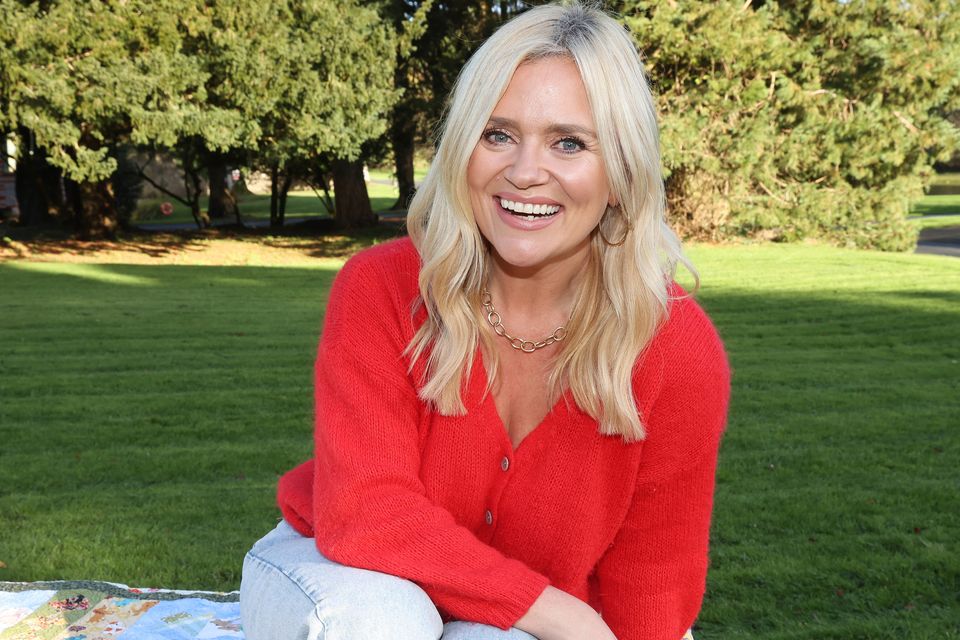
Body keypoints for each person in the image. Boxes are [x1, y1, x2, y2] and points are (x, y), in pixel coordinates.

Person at [239, 2, 730, 639]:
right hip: (338, 570)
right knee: (385, 620)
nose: (525, 172)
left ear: (620, 173)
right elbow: (366, 512)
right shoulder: (384, 289)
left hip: (510, 616)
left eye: (569, 143)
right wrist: (565, 617)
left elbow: (654, 576)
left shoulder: (676, 349)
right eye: (497, 134)